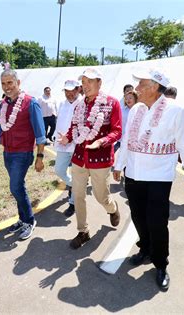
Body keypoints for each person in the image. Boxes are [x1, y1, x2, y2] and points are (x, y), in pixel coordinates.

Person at [113, 69, 184, 291]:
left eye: (141, 84)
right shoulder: (136, 110)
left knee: (157, 222)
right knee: (138, 217)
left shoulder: (177, 111)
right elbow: (126, 139)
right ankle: (145, 249)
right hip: (133, 174)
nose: (136, 89)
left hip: (159, 177)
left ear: (154, 87)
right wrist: (118, 165)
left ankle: (160, 263)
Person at [58, 68, 122, 250]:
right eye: (83, 82)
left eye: (89, 82)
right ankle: (83, 231)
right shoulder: (79, 105)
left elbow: (117, 131)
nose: (85, 86)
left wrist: (101, 141)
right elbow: (74, 127)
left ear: (99, 83)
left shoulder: (112, 103)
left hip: (100, 159)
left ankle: (112, 208)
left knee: (101, 196)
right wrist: (67, 138)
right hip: (79, 158)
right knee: (77, 195)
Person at [0, 69, 46, 240]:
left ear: (18, 83)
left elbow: (40, 134)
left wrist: (40, 157)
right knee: (18, 187)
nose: (7, 87)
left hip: (23, 153)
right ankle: (22, 219)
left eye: (10, 83)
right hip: (8, 154)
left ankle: (29, 221)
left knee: (15, 187)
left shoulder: (30, 103)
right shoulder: (4, 104)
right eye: (4, 84)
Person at [53, 79, 83, 217]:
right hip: (62, 145)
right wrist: (55, 137)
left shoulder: (84, 104)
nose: (70, 94)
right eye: (67, 91)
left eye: (73, 91)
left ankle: (73, 203)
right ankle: (74, 185)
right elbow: (58, 122)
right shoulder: (61, 104)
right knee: (59, 170)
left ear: (78, 90)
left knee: (77, 175)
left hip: (78, 146)